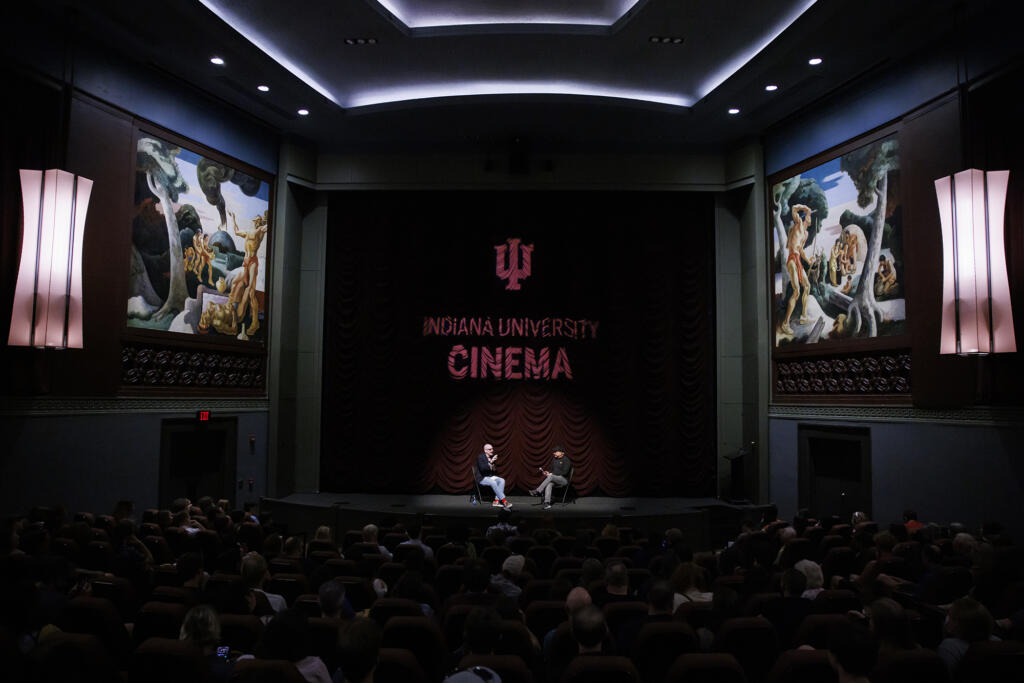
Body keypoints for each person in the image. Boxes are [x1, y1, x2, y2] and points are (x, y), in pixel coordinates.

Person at [781, 203, 812, 334]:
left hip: (798, 260)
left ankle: (804, 316)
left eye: (810, 215)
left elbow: (801, 250)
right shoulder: (798, 224)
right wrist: (804, 208)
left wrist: (808, 260)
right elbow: (794, 208)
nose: (810, 217)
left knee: (807, 286)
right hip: (792, 260)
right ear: (805, 218)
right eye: (808, 215)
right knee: (797, 291)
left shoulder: (805, 234)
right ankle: (785, 323)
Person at [529, 446, 571, 510]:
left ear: (562, 453)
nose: (554, 453)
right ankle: (547, 503)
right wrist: (547, 472)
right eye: (554, 452)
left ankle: (537, 491)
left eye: (556, 452)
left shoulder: (566, 460)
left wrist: (552, 474)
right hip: (554, 479)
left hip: (563, 480)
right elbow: (552, 470)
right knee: (549, 484)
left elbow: (565, 472)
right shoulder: (554, 459)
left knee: (551, 476)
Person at [476, 443, 511, 509]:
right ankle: (504, 501)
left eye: (492, 449)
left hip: (490, 476)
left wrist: (493, 465)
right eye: (489, 449)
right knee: (493, 482)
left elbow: (494, 471)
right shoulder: (480, 457)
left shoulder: (491, 457)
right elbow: (483, 469)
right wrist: (491, 462)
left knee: (502, 480)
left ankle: (496, 501)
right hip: (482, 477)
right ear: (485, 450)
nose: (492, 450)